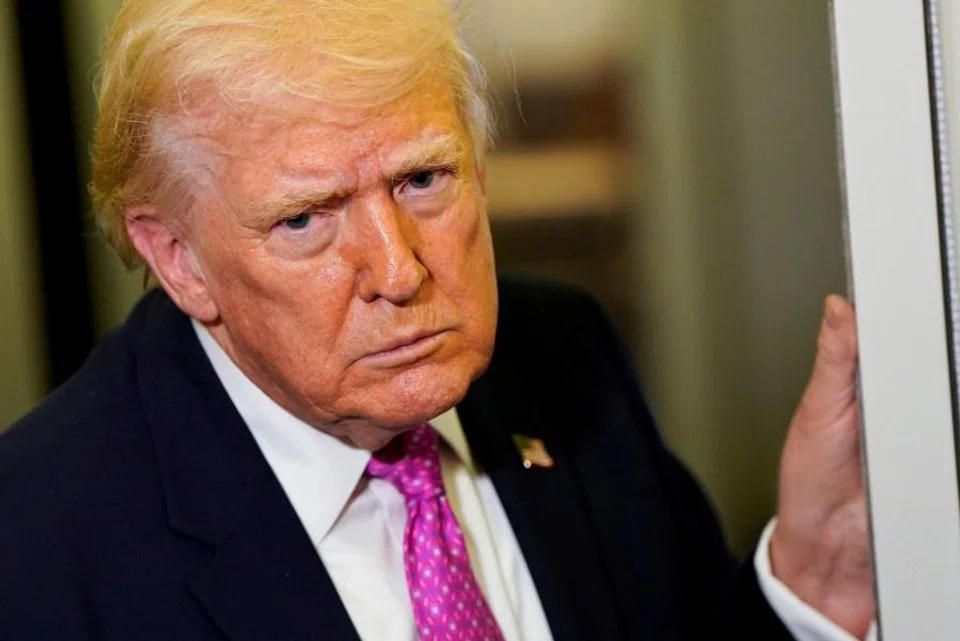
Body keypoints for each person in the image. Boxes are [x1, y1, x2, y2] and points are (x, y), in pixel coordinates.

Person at [0, 1, 874, 639]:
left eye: (423, 180)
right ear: (179, 259)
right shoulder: (35, 548)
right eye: (307, 218)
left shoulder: (563, 352)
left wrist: (816, 580)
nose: (399, 270)